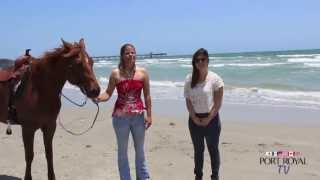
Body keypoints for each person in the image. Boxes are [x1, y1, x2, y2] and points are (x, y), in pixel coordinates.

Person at [95, 43, 152, 180]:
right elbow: (108, 93)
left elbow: (147, 96)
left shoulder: (143, 73)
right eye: (127, 53)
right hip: (120, 119)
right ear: (122, 56)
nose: (130, 55)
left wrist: (149, 115)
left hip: (138, 118)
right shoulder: (115, 74)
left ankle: (143, 177)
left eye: (133, 52)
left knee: (140, 151)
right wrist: (98, 98)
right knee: (122, 152)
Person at [184, 48, 224, 180]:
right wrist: (194, 117)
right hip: (194, 120)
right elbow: (188, 100)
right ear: (194, 63)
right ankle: (198, 176)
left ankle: (215, 176)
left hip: (211, 119)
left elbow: (218, 103)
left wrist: (209, 118)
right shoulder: (189, 79)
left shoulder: (215, 79)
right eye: (197, 60)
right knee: (198, 150)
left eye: (203, 59)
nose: (200, 62)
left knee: (213, 149)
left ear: (208, 61)